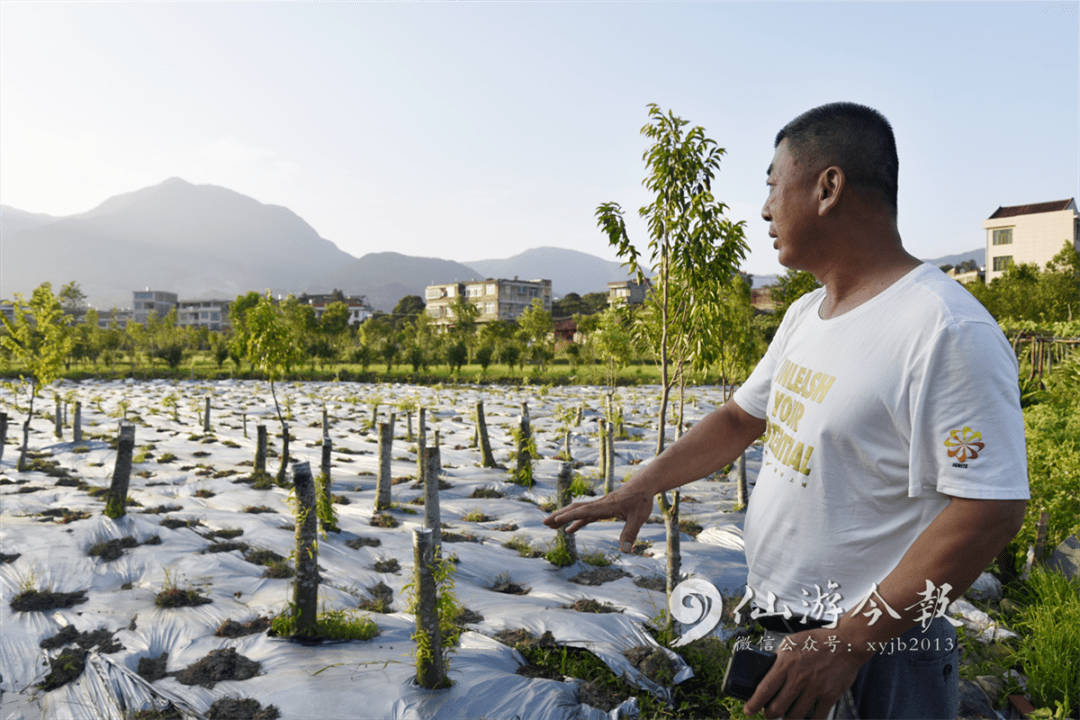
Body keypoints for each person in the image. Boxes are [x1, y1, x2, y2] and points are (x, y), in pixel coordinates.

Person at [544, 102, 1029, 720]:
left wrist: (852, 641)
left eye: (773, 184)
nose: (767, 209)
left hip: (878, 645)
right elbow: (740, 420)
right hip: (787, 625)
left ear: (828, 187)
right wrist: (645, 484)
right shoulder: (807, 314)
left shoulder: (944, 328)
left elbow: (991, 509)